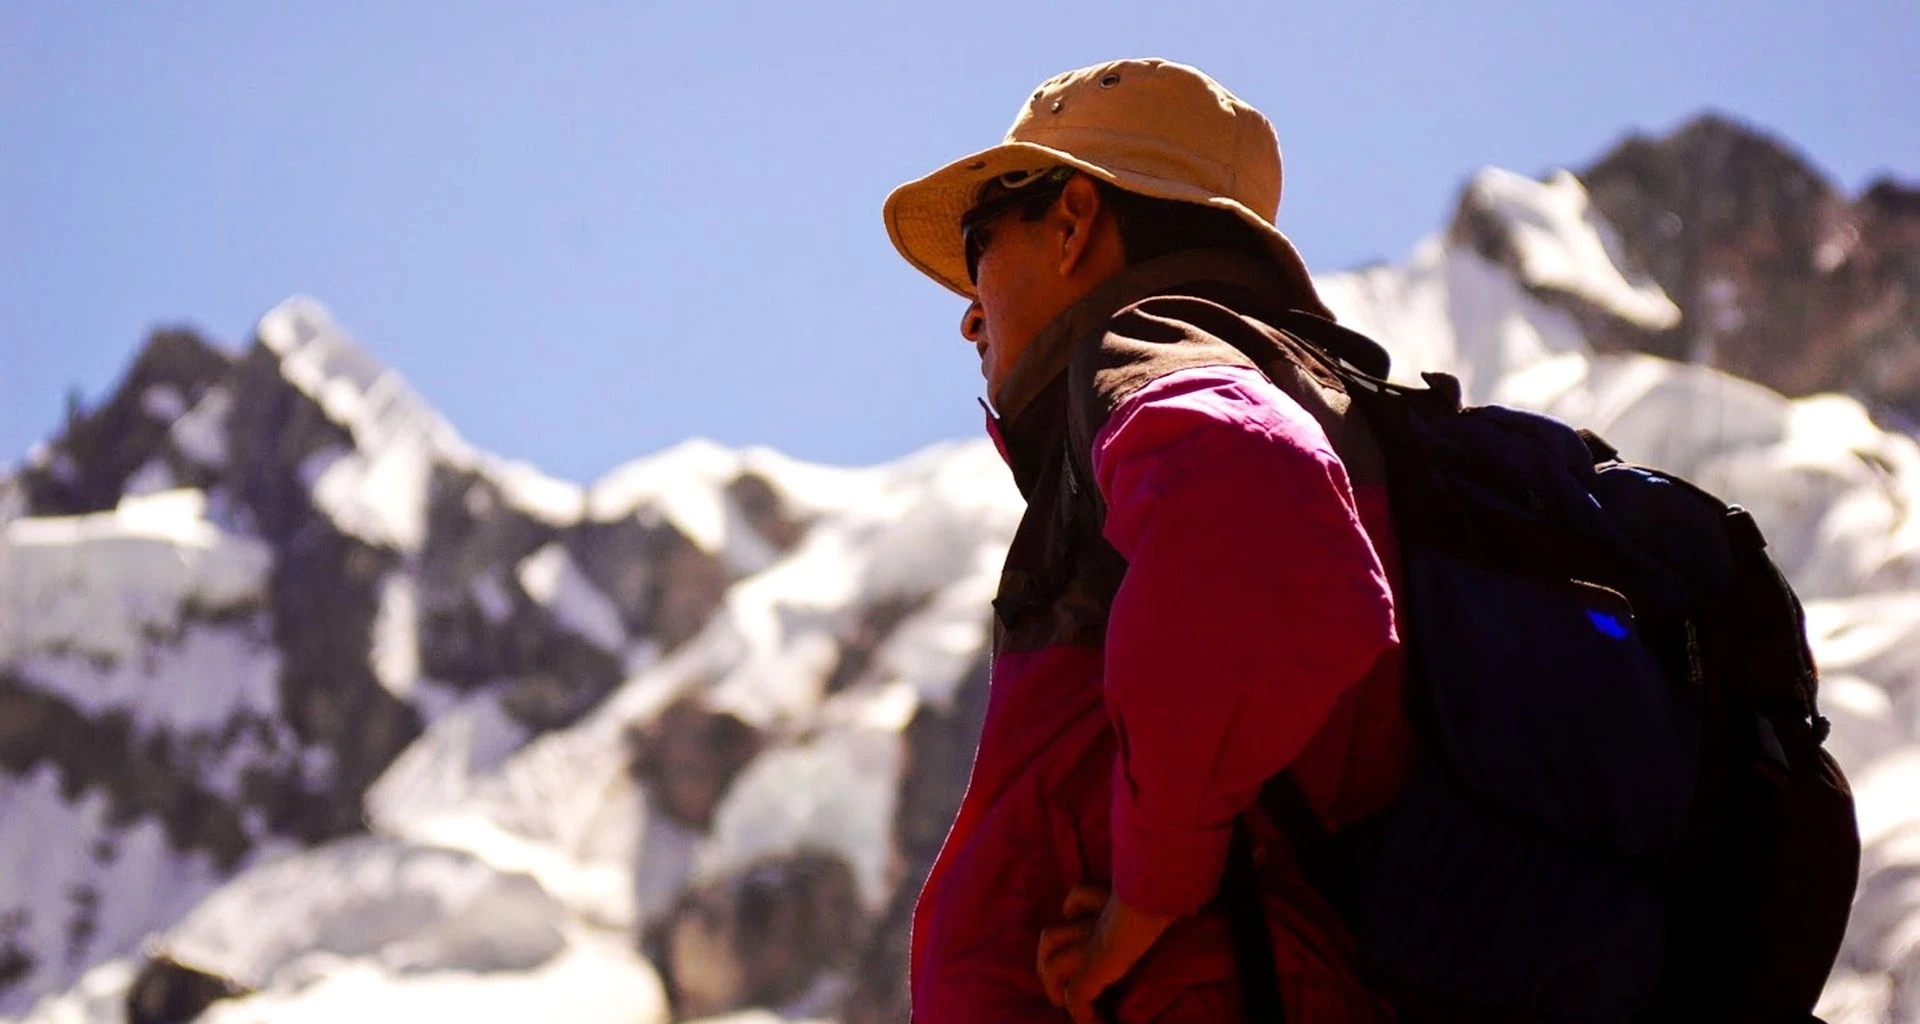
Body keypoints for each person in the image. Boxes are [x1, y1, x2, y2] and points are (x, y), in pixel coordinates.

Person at [882, 59, 1413, 1022]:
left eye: (981, 242)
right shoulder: (1304, 384)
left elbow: (1259, 503)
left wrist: (1152, 891)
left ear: (1075, 221)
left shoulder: (1146, 350)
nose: (968, 312)